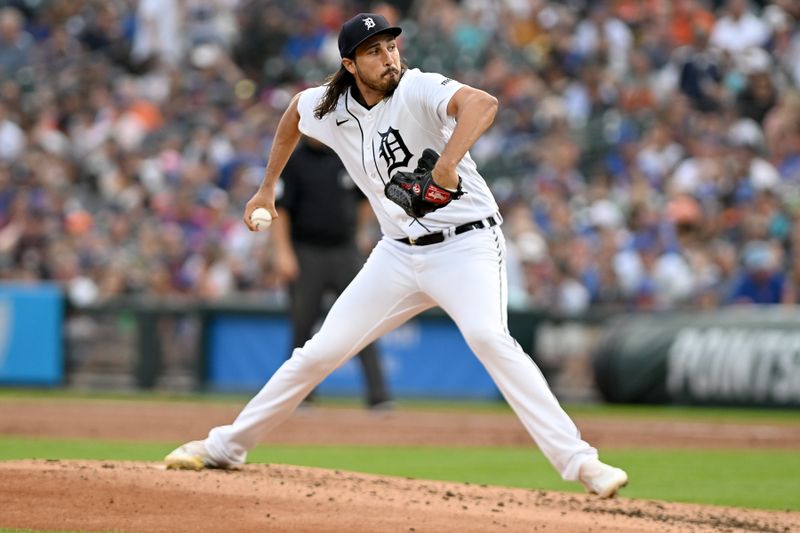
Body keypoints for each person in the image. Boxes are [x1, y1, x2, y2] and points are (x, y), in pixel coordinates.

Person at [165, 12, 628, 498]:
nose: (388, 58)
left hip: (466, 244)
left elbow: (482, 103)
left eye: (390, 47)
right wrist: (265, 190)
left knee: (489, 337)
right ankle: (227, 446)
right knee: (319, 352)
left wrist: (448, 162)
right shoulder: (330, 107)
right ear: (349, 64)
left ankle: (582, 463)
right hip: (397, 254)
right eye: (373, 51)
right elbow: (292, 117)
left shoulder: (418, 87)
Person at [273, 135, 392, 408]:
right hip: (305, 252)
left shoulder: (345, 151)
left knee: (363, 323)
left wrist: (362, 231)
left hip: (344, 251)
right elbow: (282, 209)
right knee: (302, 327)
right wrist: (283, 252)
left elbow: (365, 197)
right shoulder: (294, 159)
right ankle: (300, 396)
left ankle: (379, 396)